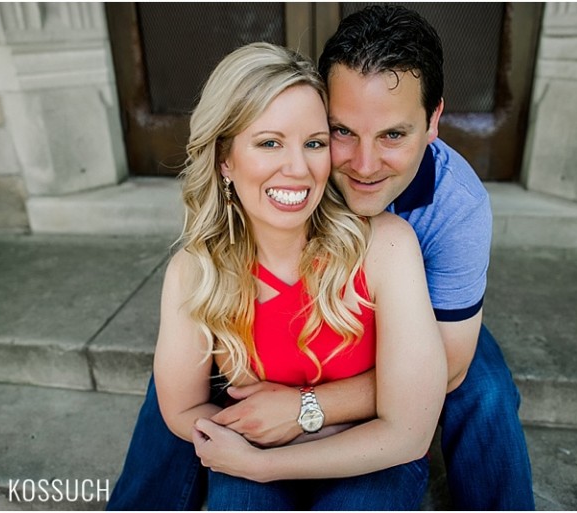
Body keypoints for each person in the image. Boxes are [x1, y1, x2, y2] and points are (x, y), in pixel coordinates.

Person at [108, 5, 535, 510]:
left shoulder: (448, 208)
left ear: (433, 121)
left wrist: (304, 410)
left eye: (394, 135)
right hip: (278, 325)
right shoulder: (290, 179)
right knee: (184, 366)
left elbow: (443, 372)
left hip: (422, 332)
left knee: (484, 390)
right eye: (339, 133)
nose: (363, 164)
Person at [146, 41, 447, 510]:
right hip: (254, 447)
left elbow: (408, 433)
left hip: (372, 455)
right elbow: (182, 408)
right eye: (269, 143)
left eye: (314, 143)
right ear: (225, 158)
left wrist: (273, 458)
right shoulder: (195, 271)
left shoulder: (385, 247)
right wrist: (240, 445)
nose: (298, 168)